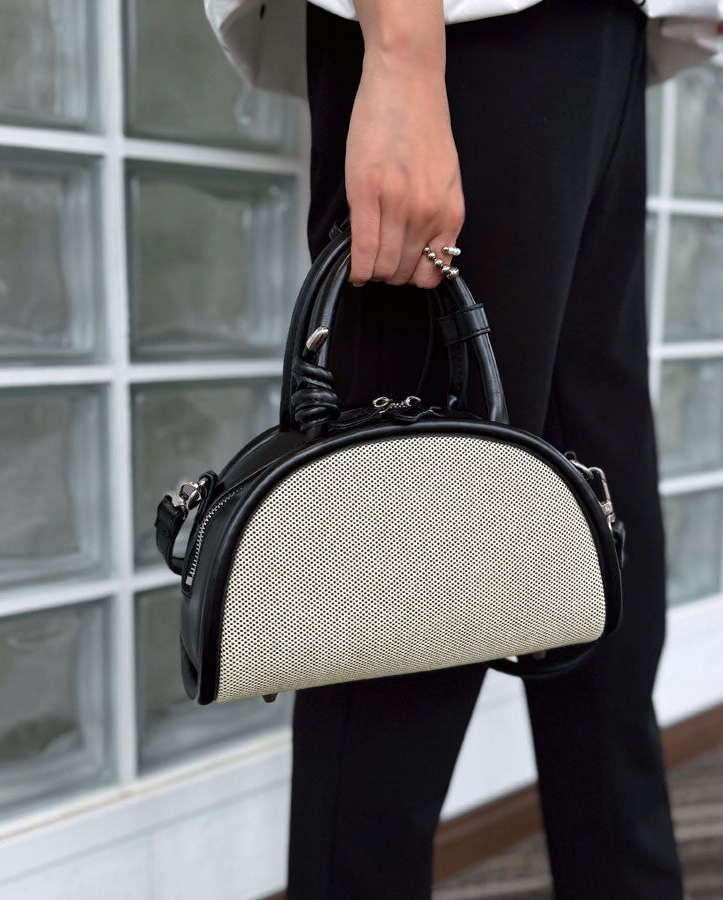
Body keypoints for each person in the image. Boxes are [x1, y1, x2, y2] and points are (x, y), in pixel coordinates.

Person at [204, 1, 722, 897]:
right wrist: (403, 58)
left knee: (602, 583)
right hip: (459, 28)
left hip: (604, 31)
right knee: (398, 620)